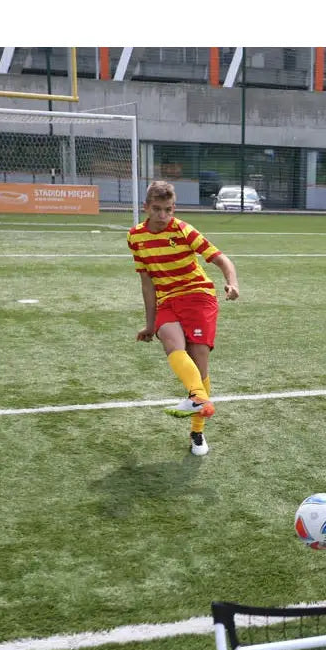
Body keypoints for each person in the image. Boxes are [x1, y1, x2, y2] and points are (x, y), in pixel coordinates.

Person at [129, 181, 240, 456]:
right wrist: (150, 324)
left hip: (198, 296)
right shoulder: (135, 237)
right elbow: (147, 283)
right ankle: (198, 397)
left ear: (174, 208)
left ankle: (197, 432)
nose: (162, 215)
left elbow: (221, 259)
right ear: (146, 207)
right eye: (157, 209)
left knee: (199, 364)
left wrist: (232, 283)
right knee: (170, 341)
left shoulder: (183, 230)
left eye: (168, 210)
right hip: (167, 299)